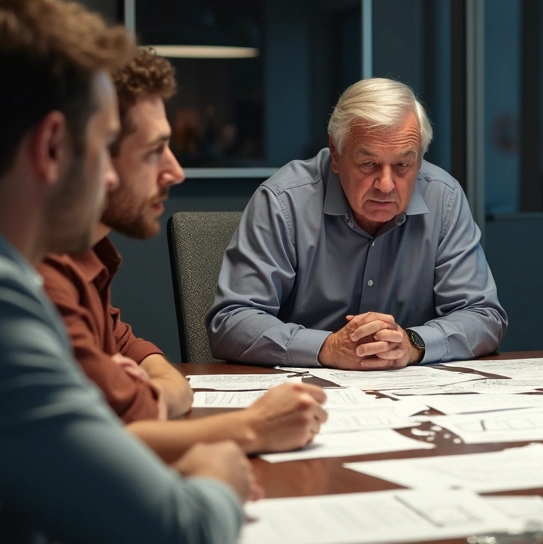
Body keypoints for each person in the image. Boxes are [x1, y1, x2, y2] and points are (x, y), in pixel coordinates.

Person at [0, 0, 249, 543]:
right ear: (53, 148)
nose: (110, 178)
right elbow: (176, 531)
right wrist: (218, 477)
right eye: (103, 144)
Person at [40, 48, 328, 462]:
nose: (176, 172)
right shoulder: (36, 278)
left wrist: (151, 387)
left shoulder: (85, 258)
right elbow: (102, 439)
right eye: (154, 150)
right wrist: (249, 428)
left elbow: (136, 354)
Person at [208, 77, 507, 368]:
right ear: (336, 155)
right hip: (303, 396)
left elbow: (483, 316)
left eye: (403, 164)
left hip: (409, 395)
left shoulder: (445, 197)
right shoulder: (283, 200)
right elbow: (231, 321)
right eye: (368, 164)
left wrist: (413, 344)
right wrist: (327, 348)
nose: (386, 185)